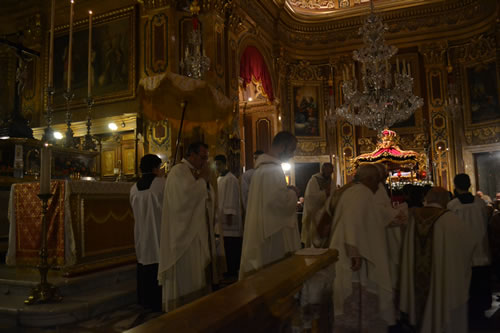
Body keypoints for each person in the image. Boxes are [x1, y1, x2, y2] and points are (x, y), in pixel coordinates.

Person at [323, 164, 395, 332]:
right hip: (355, 257)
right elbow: (352, 221)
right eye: (377, 181)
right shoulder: (361, 192)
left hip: (350, 251)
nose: (378, 185)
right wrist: (354, 252)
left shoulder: (351, 191)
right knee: (356, 298)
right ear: (369, 179)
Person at [400, 187, 475, 333]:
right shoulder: (449, 219)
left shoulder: (413, 217)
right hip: (442, 278)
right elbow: (469, 244)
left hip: (417, 281)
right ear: (445, 200)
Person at [157, 142, 218, 312]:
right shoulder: (178, 172)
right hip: (182, 237)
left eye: (206, 158)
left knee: (197, 277)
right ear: (192, 155)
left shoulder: (195, 172)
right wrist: (203, 181)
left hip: (196, 233)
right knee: (186, 277)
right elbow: (182, 202)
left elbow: (206, 197)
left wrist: (205, 185)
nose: (205, 162)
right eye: (203, 157)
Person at [239, 131, 301, 279]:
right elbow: (278, 205)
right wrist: (293, 194)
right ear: (282, 146)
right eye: (291, 149)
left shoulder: (263, 169)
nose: (292, 155)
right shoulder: (271, 171)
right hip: (271, 237)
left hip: (262, 229)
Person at [447, 173, 491, 320]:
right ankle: (481, 309)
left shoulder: (452, 206)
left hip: (462, 251)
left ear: (455, 186)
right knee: (481, 283)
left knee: (467, 285)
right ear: (469, 184)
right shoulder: (479, 203)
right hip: (481, 248)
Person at [129, 154, 165, 312]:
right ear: (154, 168)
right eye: (159, 167)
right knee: (156, 262)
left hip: (141, 232)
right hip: (158, 231)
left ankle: (144, 300)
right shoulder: (161, 184)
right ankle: (157, 301)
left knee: (144, 262)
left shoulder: (134, 188)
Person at [373, 163, 407, 293]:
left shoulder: (380, 187)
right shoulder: (375, 188)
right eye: (384, 173)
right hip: (379, 234)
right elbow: (379, 211)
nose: (386, 175)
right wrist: (395, 214)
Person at [214, 154, 243, 277]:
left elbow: (231, 198)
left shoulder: (230, 179)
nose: (217, 167)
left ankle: (231, 272)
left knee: (231, 248)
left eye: (219, 164)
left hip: (229, 222)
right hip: (222, 221)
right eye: (216, 165)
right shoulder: (219, 179)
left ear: (225, 164)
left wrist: (229, 215)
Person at [300, 162, 333, 248]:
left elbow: (333, 193)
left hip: (326, 212)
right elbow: (310, 197)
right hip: (315, 213)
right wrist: (324, 193)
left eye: (331, 172)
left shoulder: (330, 180)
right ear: (323, 170)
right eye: (328, 172)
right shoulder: (314, 180)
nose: (329, 174)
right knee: (314, 236)